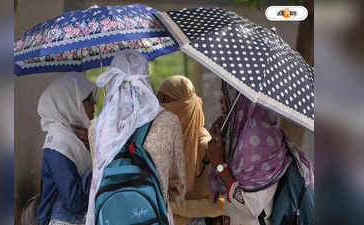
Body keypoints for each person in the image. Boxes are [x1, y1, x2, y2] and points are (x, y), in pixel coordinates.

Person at [85, 49, 186, 225]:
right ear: (146, 79)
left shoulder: (96, 128)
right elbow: (179, 187)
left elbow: (97, 179)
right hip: (152, 217)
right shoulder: (169, 122)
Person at [205, 82, 314, 225]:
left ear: (241, 98)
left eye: (227, 92)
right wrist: (221, 139)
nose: (221, 98)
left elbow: (252, 206)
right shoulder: (240, 135)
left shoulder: (255, 139)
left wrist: (219, 165)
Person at [157, 76, 224, 225]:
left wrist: (175, 208)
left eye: (166, 101)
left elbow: (220, 204)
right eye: (158, 101)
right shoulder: (164, 143)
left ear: (186, 106)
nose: (160, 107)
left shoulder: (207, 148)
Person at [37, 72, 97, 225]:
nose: (94, 104)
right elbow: (75, 202)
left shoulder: (75, 138)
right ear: (70, 102)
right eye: (88, 100)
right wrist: (97, 165)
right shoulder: (58, 144)